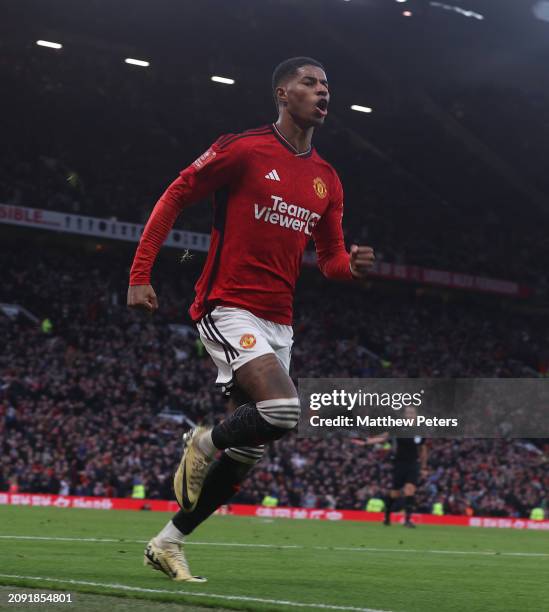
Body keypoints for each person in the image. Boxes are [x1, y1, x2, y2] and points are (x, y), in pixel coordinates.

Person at [127, 56, 375, 582]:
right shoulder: (243, 149)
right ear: (283, 94)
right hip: (227, 303)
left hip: (279, 322)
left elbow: (328, 259)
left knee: (249, 452)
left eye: (328, 84)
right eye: (310, 83)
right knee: (284, 410)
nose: (322, 91)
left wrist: (349, 267)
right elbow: (176, 194)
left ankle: (167, 543)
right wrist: (139, 273)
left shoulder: (327, 179)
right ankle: (201, 441)